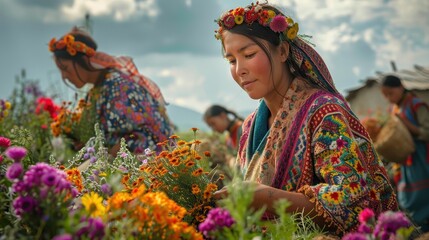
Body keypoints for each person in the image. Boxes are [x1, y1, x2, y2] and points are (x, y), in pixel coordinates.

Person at [212, 2, 398, 235]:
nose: (239, 69)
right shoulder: (251, 126)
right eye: (231, 60)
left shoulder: (323, 112)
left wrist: (267, 198)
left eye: (249, 54)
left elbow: (355, 204)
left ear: (282, 52)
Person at [48, 27, 174, 156]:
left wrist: (101, 158)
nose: (64, 76)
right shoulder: (97, 90)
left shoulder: (118, 87)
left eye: (66, 68)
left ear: (84, 60)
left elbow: (140, 138)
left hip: (152, 162)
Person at [380, 74, 429, 232]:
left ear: (401, 87)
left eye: (390, 93)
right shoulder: (395, 109)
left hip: (421, 159)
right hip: (405, 161)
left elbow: (427, 132)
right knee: (408, 195)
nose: (389, 98)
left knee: (424, 193)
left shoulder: (416, 105)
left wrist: (406, 123)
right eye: (385, 95)